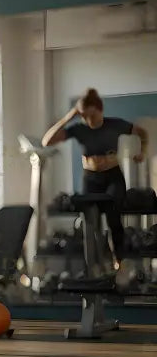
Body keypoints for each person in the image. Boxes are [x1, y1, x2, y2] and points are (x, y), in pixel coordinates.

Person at [41, 88, 150, 268]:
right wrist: (70, 116)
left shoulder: (115, 124)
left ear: (100, 110)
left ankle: (119, 261)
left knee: (114, 219)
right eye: (83, 116)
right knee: (91, 222)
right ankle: (96, 264)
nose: (87, 120)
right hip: (91, 178)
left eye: (90, 116)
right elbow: (47, 141)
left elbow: (142, 133)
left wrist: (142, 152)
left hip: (112, 176)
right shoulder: (79, 129)